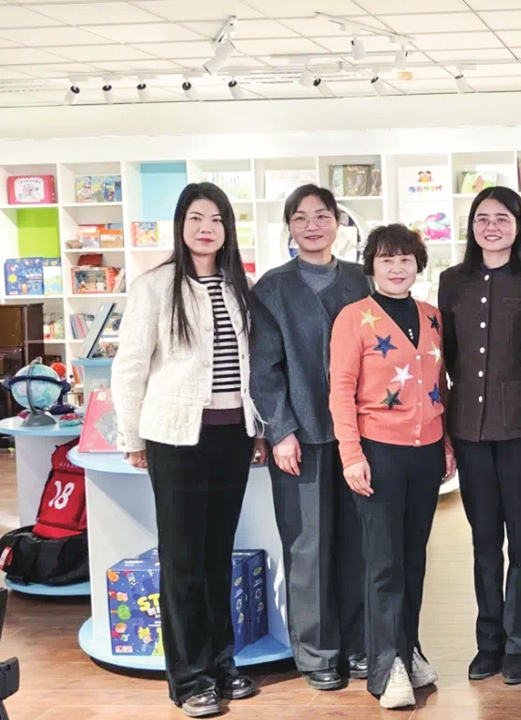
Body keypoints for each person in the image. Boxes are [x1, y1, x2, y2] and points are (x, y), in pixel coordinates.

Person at [111, 182, 265, 718]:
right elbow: (129, 366)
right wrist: (131, 438)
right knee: (182, 559)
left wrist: (259, 429)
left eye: (217, 219)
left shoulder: (238, 285)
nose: (207, 228)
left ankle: (223, 665)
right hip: (175, 437)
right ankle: (189, 678)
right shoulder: (155, 286)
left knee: (218, 554)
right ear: (181, 225)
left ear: (227, 229)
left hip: (232, 436)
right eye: (197, 218)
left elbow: (250, 369)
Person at [329, 224, 456, 710]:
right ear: (371, 266)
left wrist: (445, 443)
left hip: (425, 453)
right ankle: (387, 667)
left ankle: (410, 648)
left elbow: (440, 384)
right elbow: (340, 391)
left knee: (414, 559)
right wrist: (351, 454)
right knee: (383, 564)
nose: (397, 267)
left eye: (406, 259)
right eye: (386, 260)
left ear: (418, 265)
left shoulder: (432, 316)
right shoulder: (352, 317)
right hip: (377, 451)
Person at [250, 185, 371, 690]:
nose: (313, 225)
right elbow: (264, 368)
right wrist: (280, 431)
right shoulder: (271, 288)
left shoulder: (363, 280)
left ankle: (364, 645)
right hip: (300, 436)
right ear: (290, 228)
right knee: (307, 548)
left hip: (360, 438)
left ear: (338, 223)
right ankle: (317, 654)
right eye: (301, 218)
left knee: (361, 545)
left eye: (323, 216)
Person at [439, 187, 521, 685]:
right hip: (468, 429)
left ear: (519, 224)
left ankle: (519, 644)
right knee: (484, 541)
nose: (492, 226)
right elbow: (443, 357)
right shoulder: (452, 282)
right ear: (471, 226)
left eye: (502, 218)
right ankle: (488, 642)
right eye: (482, 218)